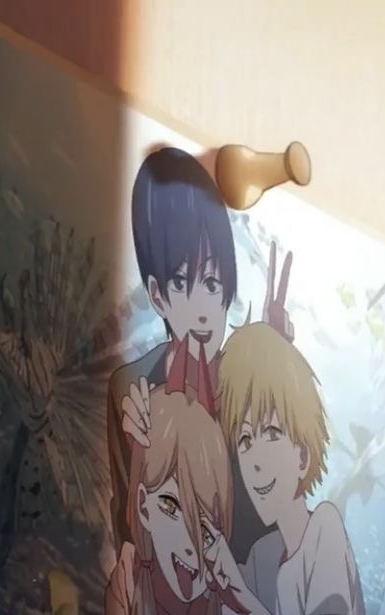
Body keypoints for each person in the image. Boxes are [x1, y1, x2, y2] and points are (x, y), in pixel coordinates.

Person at [107, 146, 292, 564]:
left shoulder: (249, 387)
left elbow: (275, 525)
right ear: (157, 295)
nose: (203, 309)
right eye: (181, 283)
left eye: (211, 283)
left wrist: (278, 381)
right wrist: (144, 455)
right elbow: (128, 538)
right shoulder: (130, 390)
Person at [208, 321, 367, 615]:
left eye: (272, 433)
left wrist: (241, 597)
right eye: (245, 441)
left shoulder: (324, 531)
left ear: (302, 455)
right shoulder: (262, 557)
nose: (255, 461)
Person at [104, 335, 245, 615]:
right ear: (143, 507)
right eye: (170, 506)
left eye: (204, 517)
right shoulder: (127, 599)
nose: (188, 539)